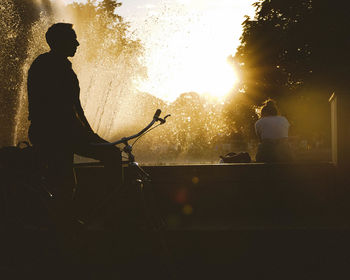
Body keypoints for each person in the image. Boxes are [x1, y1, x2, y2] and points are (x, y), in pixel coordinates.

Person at [27, 23, 122, 258]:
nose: (78, 44)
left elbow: (76, 108)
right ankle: (108, 217)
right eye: (73, 39)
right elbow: (57, 109)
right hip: (55, 134)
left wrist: (92, 134)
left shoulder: (61, 66)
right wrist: (88, 136)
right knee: (68, 180)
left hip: (62, 132)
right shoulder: (47, 65)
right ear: (58, 42)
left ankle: (70, 224)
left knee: (67, 181)